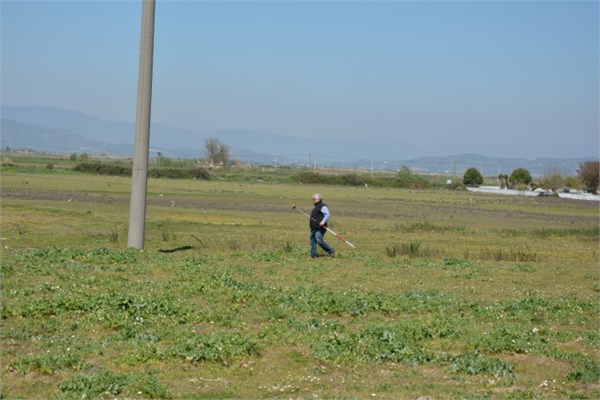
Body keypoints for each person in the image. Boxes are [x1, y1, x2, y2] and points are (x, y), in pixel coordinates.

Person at [309, 193, 335, 258]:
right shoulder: (316, 207)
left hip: (320, 228)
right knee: (313, 241)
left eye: (314, 199)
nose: (313, 200)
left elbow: (327, 215)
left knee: (319, 241)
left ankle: (331, 250)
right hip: (314, 228)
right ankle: (313, 255)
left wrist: (323, 222)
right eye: (313, 199)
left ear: (319, 199)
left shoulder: (323, 206)